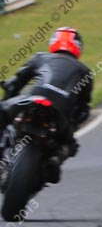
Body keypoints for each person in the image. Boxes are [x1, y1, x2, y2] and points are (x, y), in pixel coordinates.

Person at [0, 27, 93, 174]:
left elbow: (14, 83)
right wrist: (72, 126)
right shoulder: (85, 72)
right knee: (71, 146)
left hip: (32, 100)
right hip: (60, 113)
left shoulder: (40, 57)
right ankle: (55, 158)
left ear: (53, 42)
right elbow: (83, 109)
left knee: (2, 110)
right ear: (77, 48)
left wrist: (7, 99)